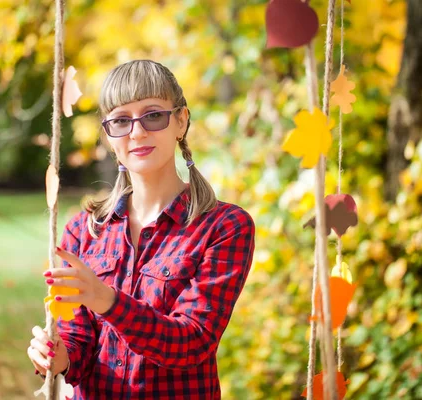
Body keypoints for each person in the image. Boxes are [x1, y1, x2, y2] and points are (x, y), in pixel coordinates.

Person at [27, 59, 255, 399]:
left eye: (153, 115)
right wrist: (59, 357)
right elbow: (80, 341)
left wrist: (107, 300)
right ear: (108, 135)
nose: (137, 132)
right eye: (121, 120)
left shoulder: (224, 227)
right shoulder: (83, 231)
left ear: (181, 121)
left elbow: (193, 342)